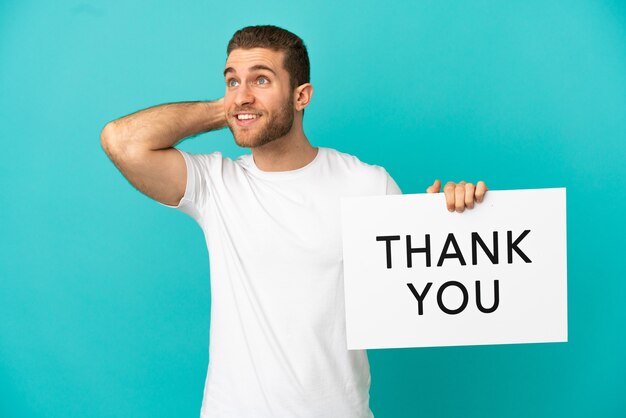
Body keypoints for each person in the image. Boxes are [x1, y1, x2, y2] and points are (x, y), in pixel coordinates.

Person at [100, 25, 487, 418]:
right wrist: (235, 108)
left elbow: (417, 290)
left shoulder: (366, 183)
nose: (242, 91)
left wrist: (455, 218)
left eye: (261, 78)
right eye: (232, 80)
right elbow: (121, 141)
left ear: (302, 96)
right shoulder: (215, 185)